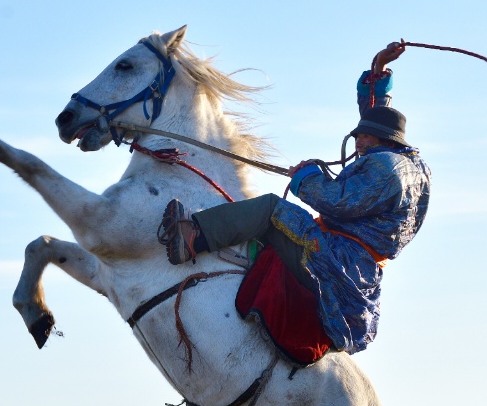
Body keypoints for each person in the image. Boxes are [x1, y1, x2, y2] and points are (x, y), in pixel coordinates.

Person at [157, 43, 430, 355]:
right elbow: (376, 117)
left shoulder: (385, 168)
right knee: (282, 220)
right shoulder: (408, 165)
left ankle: (193, 238)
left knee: (272, 209)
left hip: (337, 257)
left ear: (380, 139)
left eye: (363, 136)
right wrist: (379, 72)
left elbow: (338, 201)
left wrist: (306, 176)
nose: (358, 140)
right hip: (356, 262)